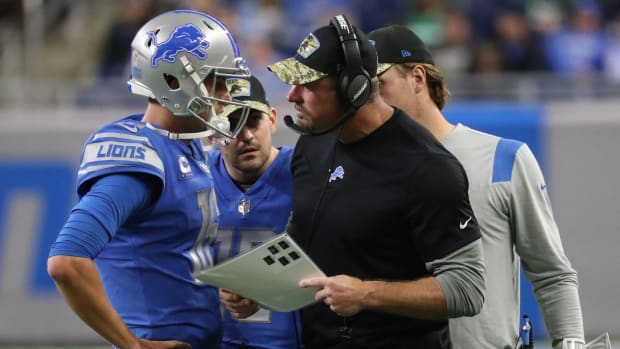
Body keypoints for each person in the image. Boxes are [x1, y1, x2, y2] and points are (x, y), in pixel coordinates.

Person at [267, 15, 485, 349]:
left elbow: (467, 288)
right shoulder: (312, 144)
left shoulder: (426, 167)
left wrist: (367, 294)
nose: (292, 95)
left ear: (351, 88)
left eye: (308, 85)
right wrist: (262, 290)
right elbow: (307, 244)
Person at [47, 10, 258, 349]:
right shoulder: (141, 157)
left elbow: (177, 252)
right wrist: (133, 345)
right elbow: (66, 261)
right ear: (173, 82)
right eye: (216, 81)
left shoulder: (189, 147)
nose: (227, 95)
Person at [367, 24, 584, 349]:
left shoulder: (503, 158)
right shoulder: (363, 170)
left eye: (379, 85)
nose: (370, 100)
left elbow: (551, 273)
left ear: (418, 79)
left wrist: (571, 343)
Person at [208, 75, 301, 348]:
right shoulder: (194, 176)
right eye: (232, 125)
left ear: (272, 119)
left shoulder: (307, 170)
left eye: (253, 120)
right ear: (212, 134)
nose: (246, 135)